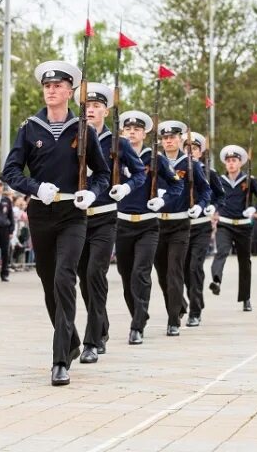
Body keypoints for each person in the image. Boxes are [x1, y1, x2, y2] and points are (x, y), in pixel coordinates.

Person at [2, 60, 110, 386]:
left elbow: (103, 174)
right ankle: (72, 337)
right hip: (41, 214)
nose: (51, 90)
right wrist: (35, 188)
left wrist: (91, 193)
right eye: (47, 86)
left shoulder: (84, 131)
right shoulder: (29, 128)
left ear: (70, 91)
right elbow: (10, 172)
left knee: (65, 278)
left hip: (73, 215)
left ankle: (60, 360)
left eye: (58, 86)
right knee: (49, 282)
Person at [73, 83, 146, 364]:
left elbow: (139, 173)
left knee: (95, 273)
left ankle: (92, 342)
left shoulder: (118, 142)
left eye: (96, 106)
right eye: (87, 106)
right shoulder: (74, 135)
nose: (91, 110)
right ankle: (100, 327)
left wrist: (125, 189)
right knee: (82, 278)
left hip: (104, 216)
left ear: (106, 110)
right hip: (77, 218)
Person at [113, 110, 182, 345]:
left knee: (140, 274)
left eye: (137, 130)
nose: (132, 133)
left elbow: (176, 186)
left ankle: (137, 326)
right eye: (128, 129)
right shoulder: (115, 155)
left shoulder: (155, 158)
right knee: (125, 275)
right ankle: (138, 313)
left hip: (147, 225)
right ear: (122, 132)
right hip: (121, 223)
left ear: (144, 133)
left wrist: (163, 201)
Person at [154, 120, 210, 336]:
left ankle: (173, 319)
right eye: (165, 138)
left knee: (175, 271)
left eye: (173, 137)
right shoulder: (154, 161)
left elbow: (205, 192)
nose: (168, 141)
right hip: (157, 223)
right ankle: (179, 305)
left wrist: (200, 206)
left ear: (180, 140)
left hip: (180, 223)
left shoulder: (190, 164)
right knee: (161, 272)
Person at [208, 145, 257, 311]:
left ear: (240, 163)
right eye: (228, 161)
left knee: (244, 262)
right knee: (221, 252)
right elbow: (212, 197)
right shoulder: (220, 180)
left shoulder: (250, 180)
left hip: (243, 226)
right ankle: (216, 280)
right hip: (225, 223)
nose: (231, 164)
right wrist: (213, 208)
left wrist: (254, 209)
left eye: (234, 161)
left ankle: (246, 298)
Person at [183, 132, 215, 328]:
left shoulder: (208, 172)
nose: (191, 152)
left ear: (200, 152)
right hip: (182, 226)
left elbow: (219, 195)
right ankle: (194, 299)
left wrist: (212, 207)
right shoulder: (176, 170)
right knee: (184, 270)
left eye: (194, 149)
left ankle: (195, 310)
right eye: (187, 149)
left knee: (195, 267)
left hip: (201, 226)